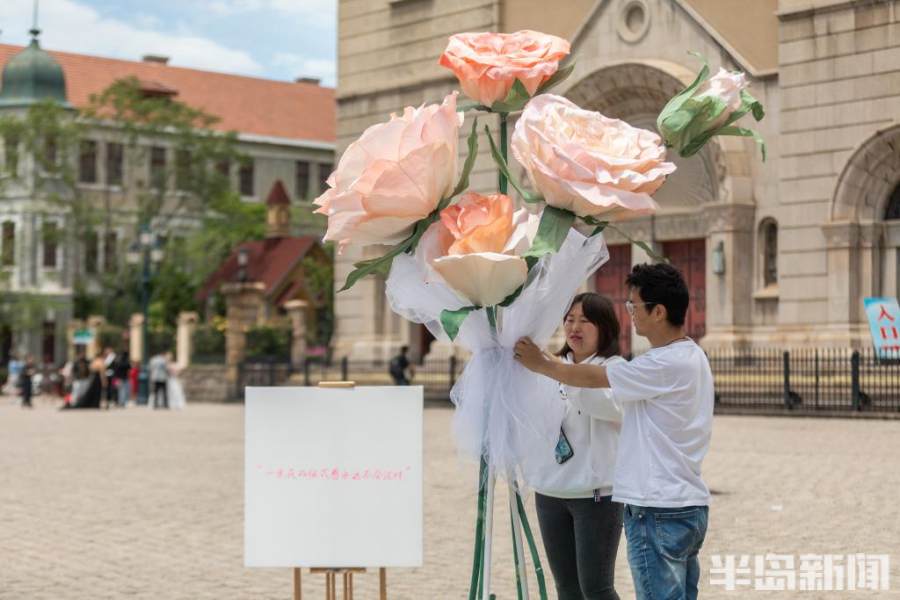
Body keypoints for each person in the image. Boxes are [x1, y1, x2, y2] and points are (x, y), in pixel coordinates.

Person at [515, 263, 714, 600]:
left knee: (603, 588)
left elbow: (601, 384)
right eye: (570, 318)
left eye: (634, 305)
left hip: (655, 504)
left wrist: (546, 366)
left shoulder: (659, 364)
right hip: (678, 501)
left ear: (659, 311)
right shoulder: (687, 356)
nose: (631, 314)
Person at [531, 293, 625, 600]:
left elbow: (608, 406)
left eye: (585, 320)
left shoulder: (615, 369)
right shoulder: (549, 367)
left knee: (596, 589)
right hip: (550, 493)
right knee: (568, 590)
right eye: (570, 319)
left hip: (595, 496)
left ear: (605, 328)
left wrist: (554, 370)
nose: (575, 327)